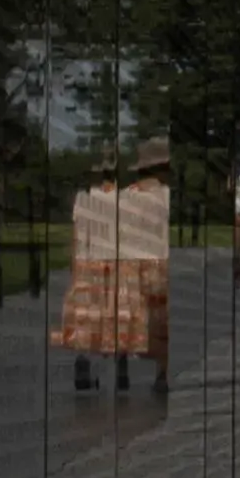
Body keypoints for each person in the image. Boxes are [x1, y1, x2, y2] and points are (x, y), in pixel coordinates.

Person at [54, 149, 168, 389]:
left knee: (86, 316)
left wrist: (74, 266)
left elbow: (77, 238)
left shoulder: (83, 199)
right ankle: (121, 363)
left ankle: (83, 362)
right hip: (117, 262)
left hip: (89, 261)